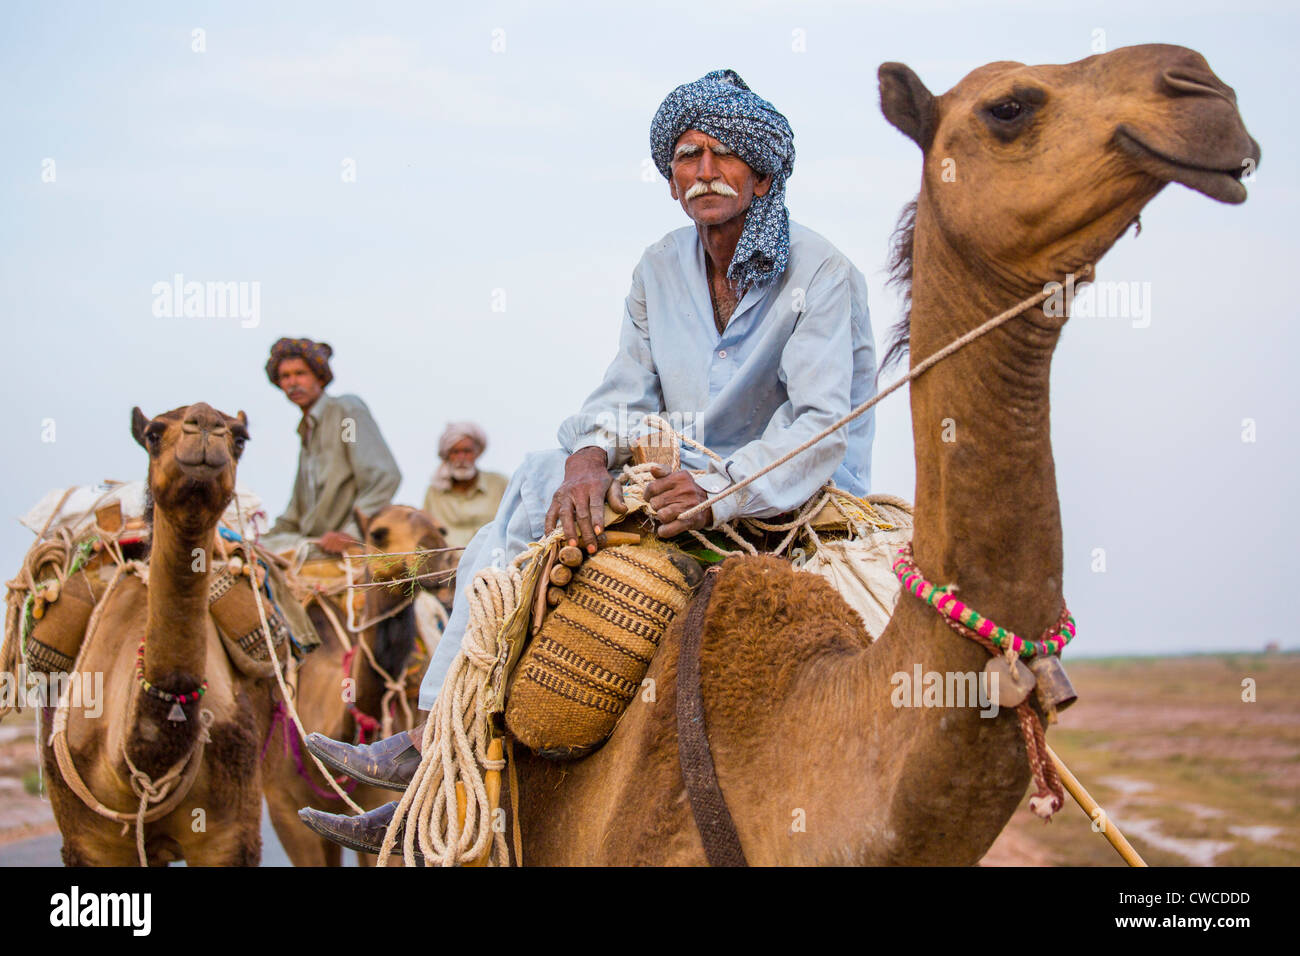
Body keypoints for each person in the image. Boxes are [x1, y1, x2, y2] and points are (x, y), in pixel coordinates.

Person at [299, 69, 877, 851]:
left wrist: (720, 490)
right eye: (686, 155)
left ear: (763, 174)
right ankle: (439, 743)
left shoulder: (821, 272)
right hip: (672, 475)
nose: (703, 170)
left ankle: (431, 760)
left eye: (723, 154)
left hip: (786, 489)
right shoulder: (658, 267)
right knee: (544, 473)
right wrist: (590, 456)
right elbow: (623, 390)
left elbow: (818, 424)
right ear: (671, 179)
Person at [260, 337, 402, 557]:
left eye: (300, 373)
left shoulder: (346, 412)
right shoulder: (307, 430)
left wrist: (351, 532)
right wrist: (259, 539)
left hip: (340, 547)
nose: (292, 383)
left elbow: (384, 476)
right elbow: (295, 515)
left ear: (319, 377)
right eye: (285, 376)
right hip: (310, 542)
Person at [422, 422, 508, 549]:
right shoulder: (435, 492)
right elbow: (426, 532)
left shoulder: (499, 484)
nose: (461, 458)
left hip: (492, 560)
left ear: (477, 453)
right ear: (447, 455)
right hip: (447, 564)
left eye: (467, 451)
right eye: (455, 452)